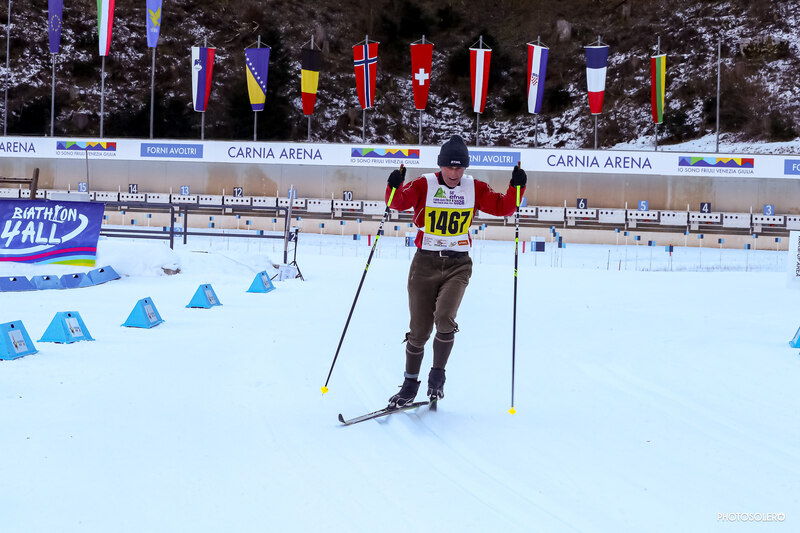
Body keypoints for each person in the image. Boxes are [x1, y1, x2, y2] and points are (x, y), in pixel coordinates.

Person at [384, 134, 527, 408]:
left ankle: (437, 375)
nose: (454, 173)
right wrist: (394, 185)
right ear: (440, 166)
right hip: (424, 263)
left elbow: (504, 207)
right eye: (449, 167)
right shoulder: (424, 184)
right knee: (419, 330)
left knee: (445, 317)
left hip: (458, 265)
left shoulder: (474, 188)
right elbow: (397, 202)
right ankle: (409, 384)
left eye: (459, 167)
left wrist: (516, 187)